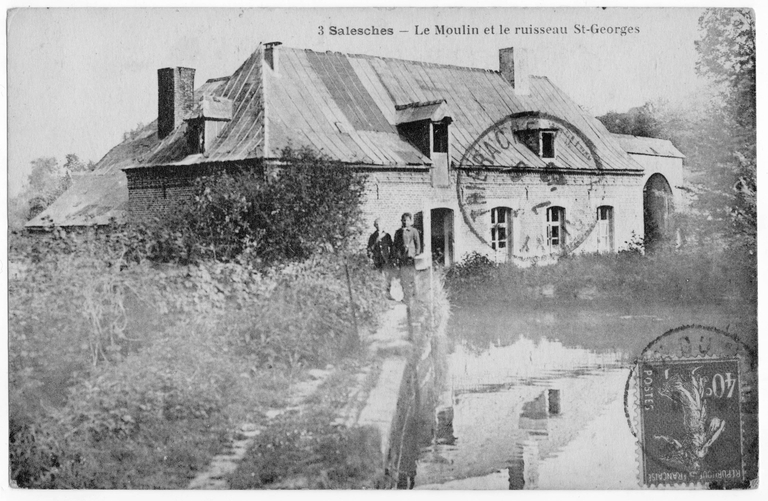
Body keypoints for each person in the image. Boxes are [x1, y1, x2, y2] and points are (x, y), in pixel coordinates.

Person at [393, 213, 422, 302]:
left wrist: (416, 255)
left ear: (411, 221)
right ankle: (406, 296)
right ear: (401, 221)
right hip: (402, 257)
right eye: (404, 220)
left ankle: (415, 296)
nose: (406, 222)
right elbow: (395, 245)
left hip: (411, 257)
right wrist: (397, 256)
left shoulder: (414, 231)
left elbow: (418, 245)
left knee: (413, 277)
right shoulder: (398, 232)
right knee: (403, 277)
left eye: (408, 220)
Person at [367, 218, 396, 299]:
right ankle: (379, 295)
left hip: (386, 259)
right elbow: (369, 248)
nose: (379, 226)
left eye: (380, 224)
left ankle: (388, 293)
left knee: (388, 276)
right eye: (377, 224)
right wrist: (371, 257)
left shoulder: (387, 236)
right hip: (377, 259)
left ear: (383, 225)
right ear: (375, 226)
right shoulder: (373, 237)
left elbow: (392, 247)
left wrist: (392, 257)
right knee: (378, 276)